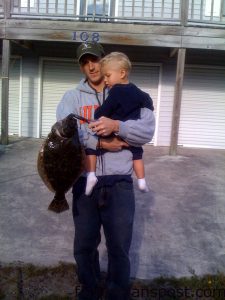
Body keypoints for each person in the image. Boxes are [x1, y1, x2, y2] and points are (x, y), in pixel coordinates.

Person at [56, 41, 155, 300]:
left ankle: (117, 294)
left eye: (95, 59)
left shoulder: (132, 94)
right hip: (83, 181)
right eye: (84, 61)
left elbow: (146, 132)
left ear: (105, 61)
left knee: (119, 246)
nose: (91, 65)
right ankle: (89, 290)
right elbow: (63, 133)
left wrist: (117, 127)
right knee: (85, 246)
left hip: (120, 182)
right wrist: (99, 142)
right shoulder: (71, 98)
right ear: (80, 65)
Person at [85, 51, 154, 196]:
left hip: (113, 132)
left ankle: (91, 175)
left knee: (91, 148)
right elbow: (148, 103)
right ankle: (142, 181)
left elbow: (103, 111)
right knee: (137, 154)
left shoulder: (115, 92)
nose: (105, 80)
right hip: (130, 134)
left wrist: (98, 114)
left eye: (108, 75)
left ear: (122, 73)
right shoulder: (139, 92)